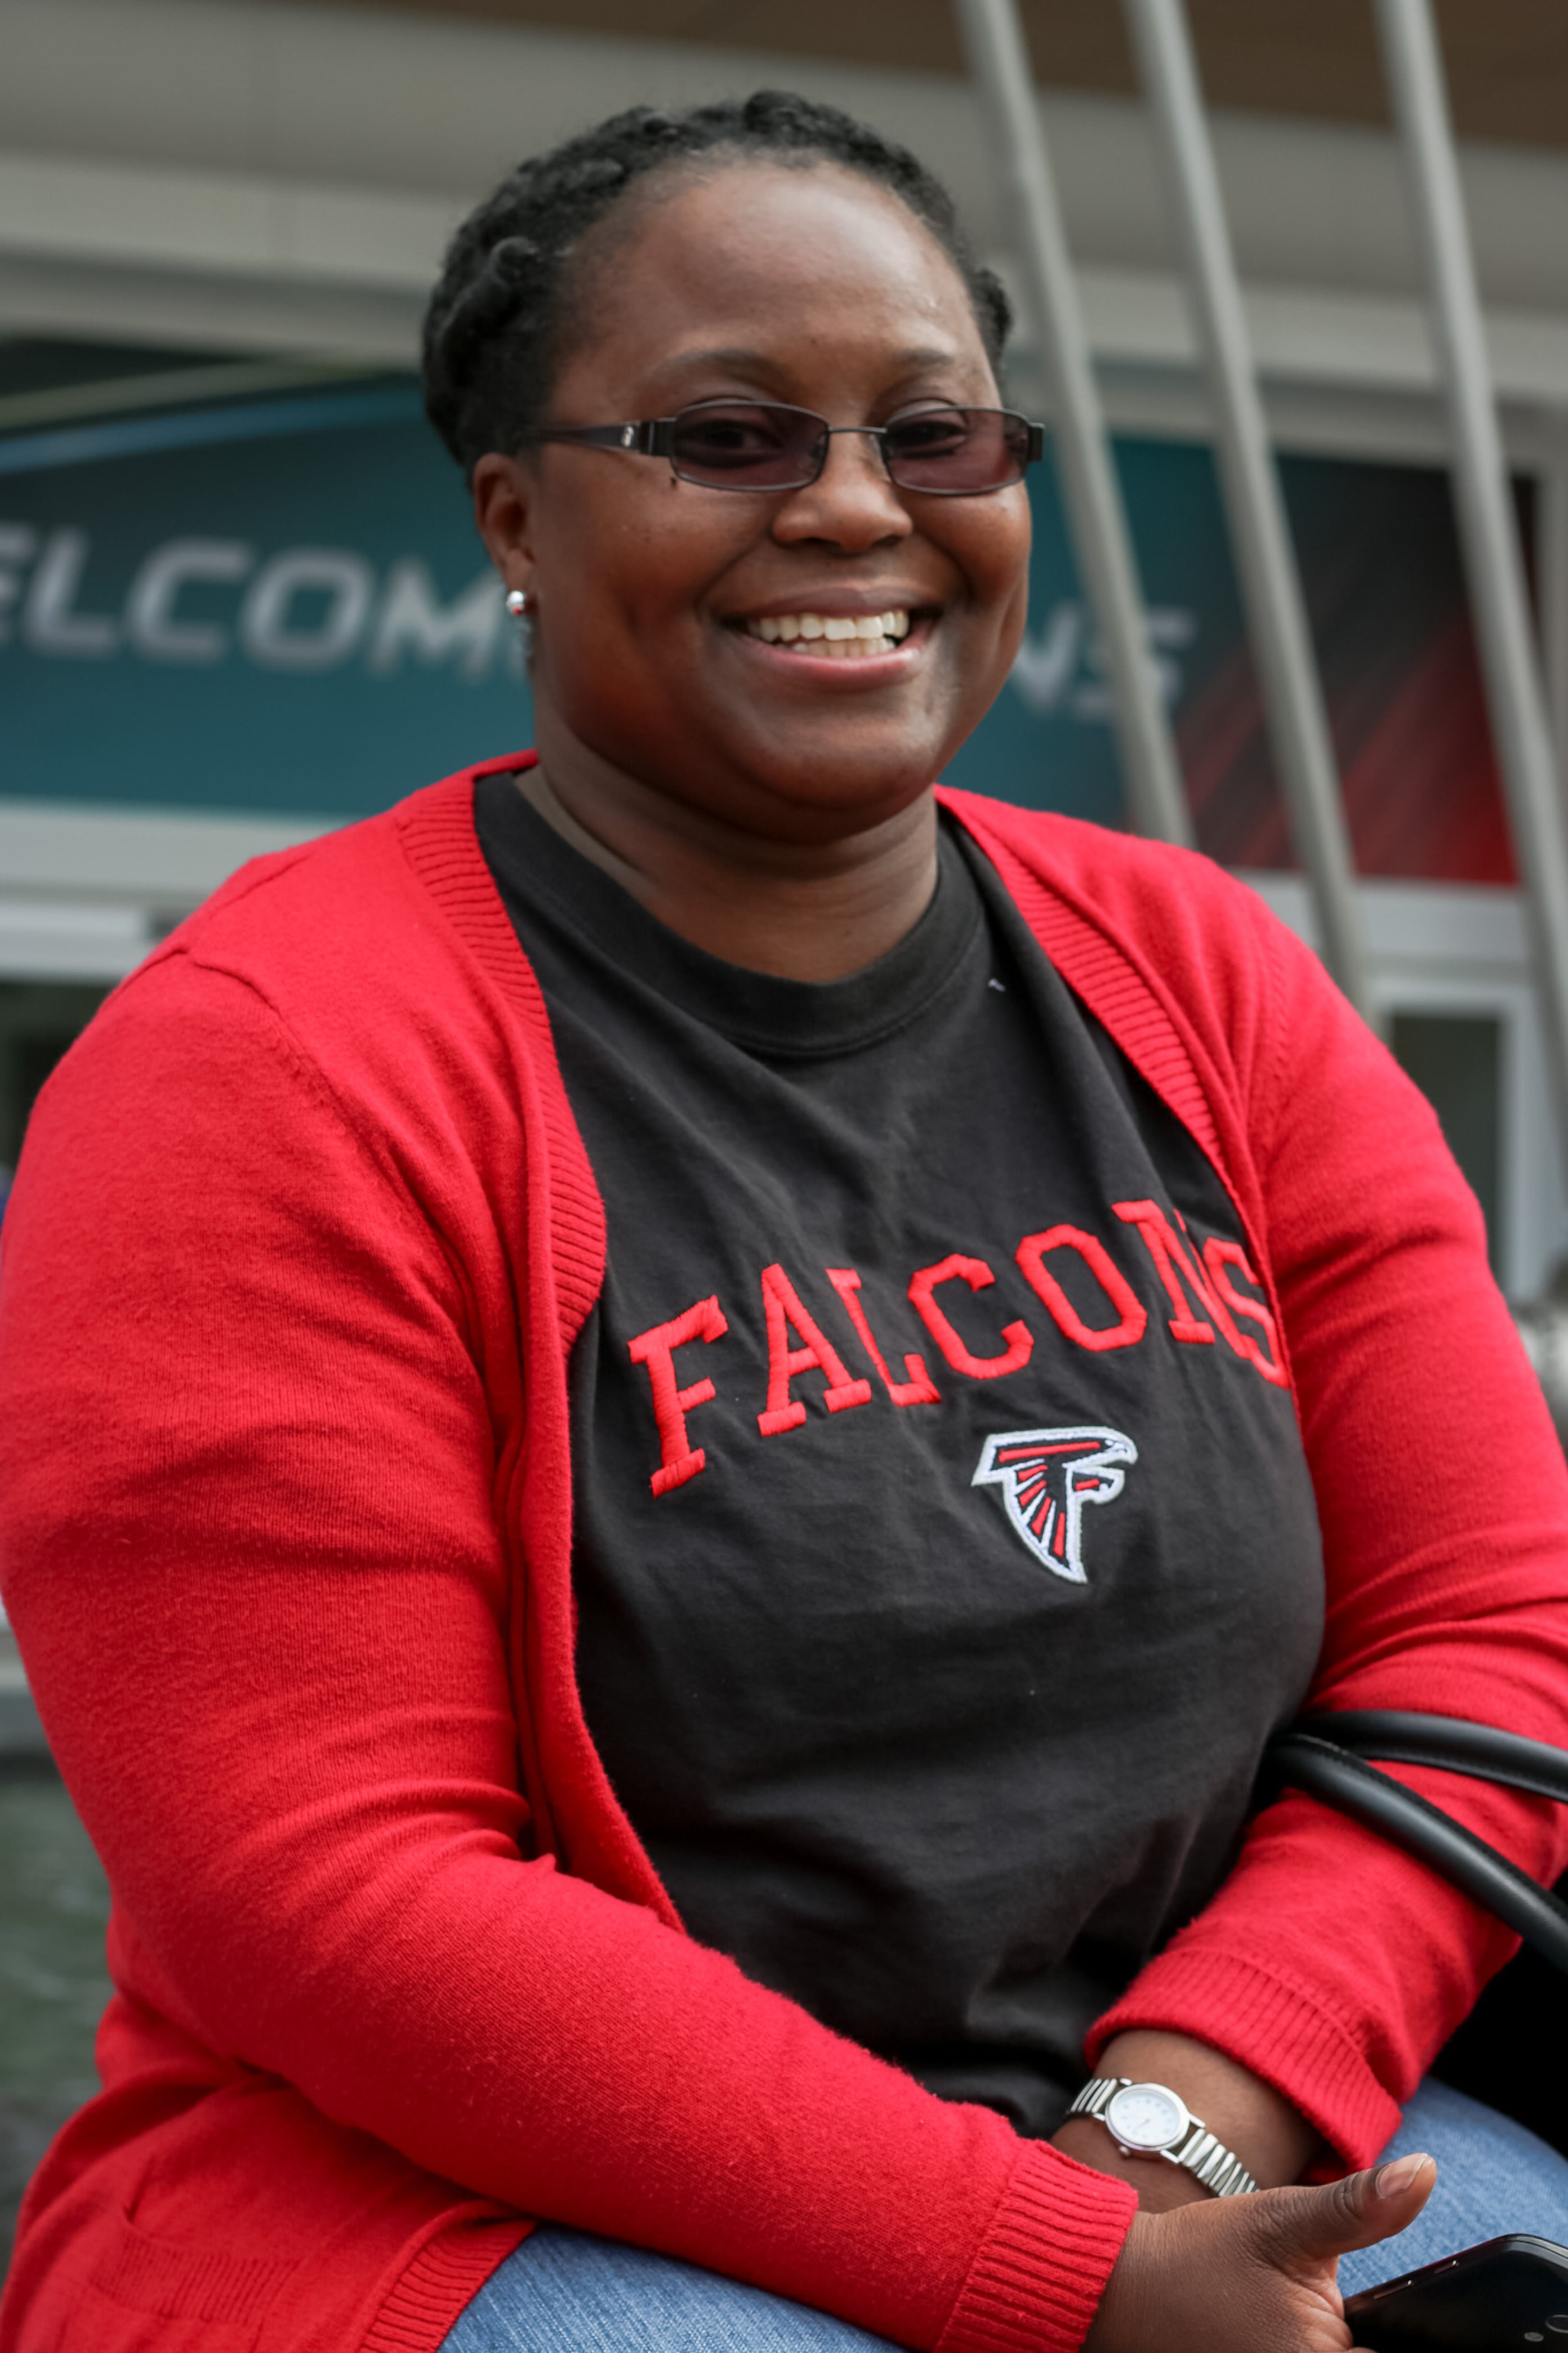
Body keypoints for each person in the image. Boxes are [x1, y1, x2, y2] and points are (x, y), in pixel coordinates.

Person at [1, 90, 1566, 2353]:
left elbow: (1487, 1646)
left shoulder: (1199, 965)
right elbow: (337, 1900)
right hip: (507, 2209)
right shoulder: (266, 1061)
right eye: (728, 433)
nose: (850, 505)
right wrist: (1060, 2281)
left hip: (1219, 2132)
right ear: (516, 515)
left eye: (933, 433)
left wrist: (1165, 2149)